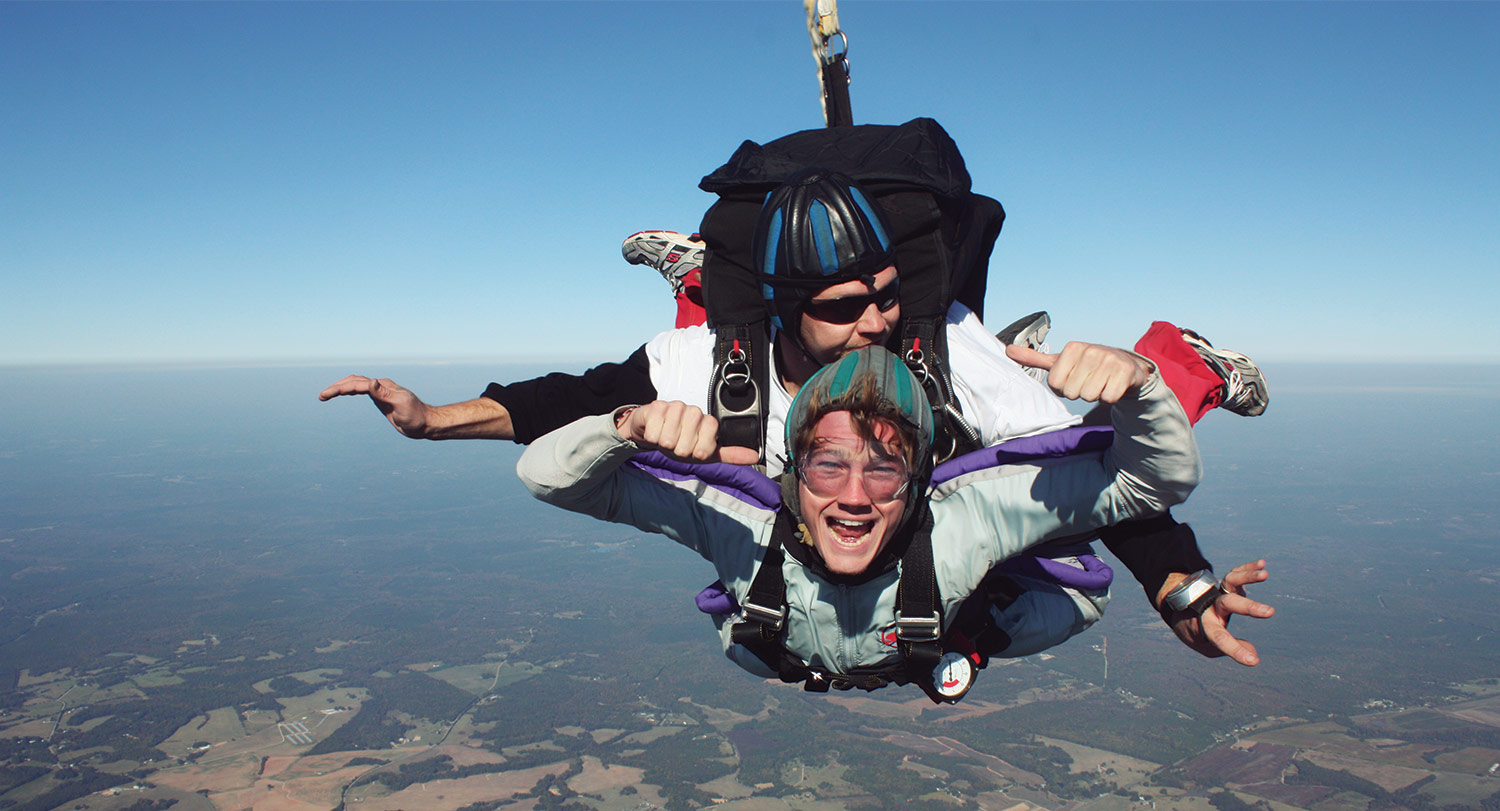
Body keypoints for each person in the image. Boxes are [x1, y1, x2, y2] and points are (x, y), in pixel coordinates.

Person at [319, 171, 1268, 665]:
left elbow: (1094, 476)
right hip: (742, 363)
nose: (878, 323)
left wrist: (1177, 583)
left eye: (887, 296)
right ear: (782, 307)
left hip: (955, 467)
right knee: (707, 403)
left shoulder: (949, 352)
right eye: (845, 305)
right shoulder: (717, 358)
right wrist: (435, 420)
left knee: (1046, 439)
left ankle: (1188, 361)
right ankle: (701, 275)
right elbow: (574, 397)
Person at [518, 344, 1272, 700]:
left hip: (950, 627)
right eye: (827, 464)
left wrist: (1140, 384)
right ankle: (703, 293)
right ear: (789, 469)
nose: (853, 495)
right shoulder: (738, 518)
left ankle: (1185, 364)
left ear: (918, 483)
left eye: (883, 468)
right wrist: (623, 425)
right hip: (812, 647)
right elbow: (548, 478)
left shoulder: (964, 516)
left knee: (1061, 572)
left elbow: (1150, 478)